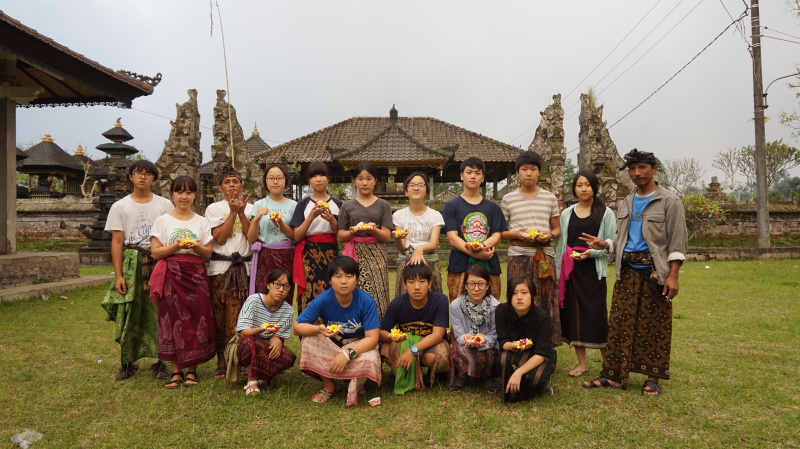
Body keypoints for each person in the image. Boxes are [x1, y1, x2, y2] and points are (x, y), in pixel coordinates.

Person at [581, 149, 688, 396]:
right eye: (632, 169)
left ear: (654, 169)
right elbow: (624, 239)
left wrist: (673, 276)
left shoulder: (669, 202)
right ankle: (614, 376)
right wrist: (605, 244)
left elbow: (677, 243)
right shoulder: (626, 202)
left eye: (642, 168)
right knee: (619, 324)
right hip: (626, 271)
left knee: (654, 326)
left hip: (654, 273)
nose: (637, 173)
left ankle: (653, 378)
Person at [101, 160, 173, 381]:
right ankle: (129, 362)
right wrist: (119, 275)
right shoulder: (120, 206)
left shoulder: (164, 205)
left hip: (159, 260)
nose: (143, 177)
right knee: (129, 309)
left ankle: (159, 362)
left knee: (161, 310)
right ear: (130, 176)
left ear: (155, 178)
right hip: (132, 261)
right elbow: (116, 242)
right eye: (138, 173)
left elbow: (170, 234)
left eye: (148, 174)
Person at [149, 176, 215, 389]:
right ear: (172, 194)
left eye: (188, 192)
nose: (184, 196)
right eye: (179, 192)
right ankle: (176, 371)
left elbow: (208, 252)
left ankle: (192, 370)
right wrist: (177, 246)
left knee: (196, 318)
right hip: (171, 274)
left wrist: (194, 246)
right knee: (172, 319)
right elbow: (155, 252)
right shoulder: (162, 221)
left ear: (195, 195)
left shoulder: (202, 221)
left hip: (196, 275)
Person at [293, 257, 381, 406]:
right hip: (333, 346)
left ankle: (354, 382)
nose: (344, 281)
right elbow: (297, 327)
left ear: (357, 280)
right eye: (338, 276)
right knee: (308, 340)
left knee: (372, 357)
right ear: (330, 280)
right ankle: (329, 384)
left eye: (349, 276)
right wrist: (318, 329)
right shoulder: (324, 299)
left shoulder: (366, 301)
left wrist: (347, 354)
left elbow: (372, 339)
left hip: (357, 348)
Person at [554, 170, 616, 378]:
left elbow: (612, 244)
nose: (583, 189)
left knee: (596, 315)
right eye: (579, 185)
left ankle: (609, 364)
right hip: (571, 272)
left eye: (587, 185)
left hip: (593, 271)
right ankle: (582, 364)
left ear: (595, 187)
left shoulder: (606, 213)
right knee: (575, 316)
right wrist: (557, 272)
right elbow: (562, 245)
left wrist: (592, 253)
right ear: (574, 188)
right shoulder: (566, 214)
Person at [500, 150, 562, 346]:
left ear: (539, 172)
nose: (528, 173)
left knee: (545, 300)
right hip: (518, 255)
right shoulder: (508, 199)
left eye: (533, 169)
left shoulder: (549, 197)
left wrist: (549, 236)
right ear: (517, 173)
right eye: (524, 169)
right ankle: (517, 343)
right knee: (518, 298)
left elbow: (557, 229)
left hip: (544, 256)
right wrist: (518, 234)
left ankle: (545, 346)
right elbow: (501, 232)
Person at [205, 165, 253, 380]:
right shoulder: (214, 209)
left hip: (245, 269)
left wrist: (242, 213)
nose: (232, 185)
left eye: (235, 181)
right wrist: (232, 212)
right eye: (227, 182)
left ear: (242, 186)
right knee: (220, 316)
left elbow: (252, 238)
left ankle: (241, 358)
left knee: (243, 316)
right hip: (221, 269)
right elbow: (220, 238)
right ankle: (222, 361)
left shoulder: (252, 208)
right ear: (220, 188)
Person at [442, 157, 507, 302]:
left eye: (477, 173)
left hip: (488, 263)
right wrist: (474, 253)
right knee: (458, 307)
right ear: (461, 176)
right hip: (460, 263)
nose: (473, 176)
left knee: (491, 307)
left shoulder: (493, 207)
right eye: (469, 172)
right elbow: (452, 237)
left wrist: (482, 246)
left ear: (483, 178)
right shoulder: (451, 206)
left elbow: (497, 235)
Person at [379, 264, 450, 394]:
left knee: (432, 358)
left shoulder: (440, 300)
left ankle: (436, 373)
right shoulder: (397, 303)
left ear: (429, 284)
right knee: (384, 345)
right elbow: (381, 332)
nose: (417, 287)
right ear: (404, 285)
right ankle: (399, 368)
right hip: (406, 341)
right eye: (411, 282)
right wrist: (391, 336)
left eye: (422, 281)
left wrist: (412, 350)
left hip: (430, 343)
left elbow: (437, 335)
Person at [337, 162, 393, 319]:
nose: (364, 182)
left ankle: (379, 331)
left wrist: (372, 230)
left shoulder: (383, 205)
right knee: (353, 293)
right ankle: (356, 332)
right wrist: (354, 232)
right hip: (354, 255)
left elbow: (387, 237)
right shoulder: (347, 206)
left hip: (376, 253)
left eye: (369, 178)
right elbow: (341, 236)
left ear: (375, 181)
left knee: (379, 293)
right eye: (360, 178)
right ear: (355, 181)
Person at [289, 161, 343, 316]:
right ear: (309, 180)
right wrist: (311, 216)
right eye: (314, 176)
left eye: (322, 175)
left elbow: (341, 236)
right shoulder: (303, 204)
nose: (318, 179)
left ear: (328, 178)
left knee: (333, 290)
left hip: (331, 253)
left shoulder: (337, 204)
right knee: (310, 293)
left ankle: (333, 332)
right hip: (309, 255)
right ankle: (308, 331)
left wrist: (332, 220)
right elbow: (297, 236)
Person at [235, 268, 297, 396]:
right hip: (245, 342)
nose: (281, 289)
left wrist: (277, 340)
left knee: (289, 358)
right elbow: (244, 333)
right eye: (277, 284)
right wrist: (261, 329)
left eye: (286, 286)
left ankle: (263, 377)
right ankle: (252, 380)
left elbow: (277, 335)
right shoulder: (253, 301)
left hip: (266, 345)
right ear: (268, 285)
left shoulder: (288, 311)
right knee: (249, 343)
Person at [496, 276, 557, 402]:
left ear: (533, 296)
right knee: (502, 359)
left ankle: (543, 384)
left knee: (535, 379)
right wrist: (513, 346)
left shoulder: (542, 317)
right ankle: (512, 380)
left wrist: (518, 372)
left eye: (524, 293)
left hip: (539, 354)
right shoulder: (501, 310)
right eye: (514, 293)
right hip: (514, 351)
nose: (519, 297)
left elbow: (541, 353)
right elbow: (502, 342)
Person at [448, 264, 501, 393]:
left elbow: (494, 336)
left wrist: (484, 340)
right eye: (471, 284)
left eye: (481, 284)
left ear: (487, 285)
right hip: (466, 344)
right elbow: (459, 334)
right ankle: (462, 376)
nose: (476, 289)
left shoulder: (496, 306)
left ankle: (488, 377)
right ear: (465, 285)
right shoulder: (456, 305)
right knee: (459, 350)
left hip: (488, 344)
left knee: (489, 353)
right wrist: (466, 338)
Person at [247, 163, 297, 299]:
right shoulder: (259, 204)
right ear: (266, 181)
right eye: (271, 178)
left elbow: (295, 237)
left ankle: (282, 321)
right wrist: (256, 218)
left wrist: (281, 224)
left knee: (284, 294)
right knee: (263, 294)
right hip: (265, 256)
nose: (275, 181)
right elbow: (251, 239)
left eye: (279, 178)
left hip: (286, 255)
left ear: (285, 180)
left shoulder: (294, 205)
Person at [392, 171, 445, 296]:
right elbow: (401, 248)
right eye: (412, 185)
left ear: (426, 192)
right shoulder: (399, 215)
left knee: (432, 300)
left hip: (429, 261)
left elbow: (432, 244)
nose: (416, 187)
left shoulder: (435, 215)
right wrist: (398, 239)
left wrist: (419, 249)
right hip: (406, 261)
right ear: (406, 191)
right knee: (405, 300)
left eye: (421, 185)